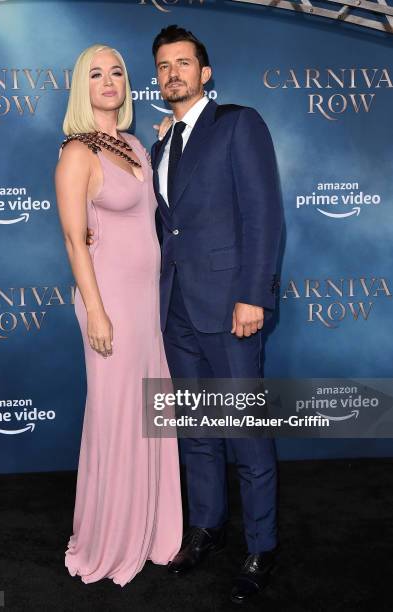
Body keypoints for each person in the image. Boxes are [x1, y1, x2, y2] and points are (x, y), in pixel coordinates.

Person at [150, 25, 283, 604]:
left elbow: (265, 215)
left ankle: (262, 547)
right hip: (177, 308)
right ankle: (207, 527)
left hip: (231, 307)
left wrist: (254, 294)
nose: (172, 72)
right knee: (197, 433)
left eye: (183, 63)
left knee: (246, 436)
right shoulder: (160, 145)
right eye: (163, 65)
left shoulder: (239, 123)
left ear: (205, 73)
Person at [54, 44, 182, 587]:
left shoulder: (134, 144)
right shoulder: (76, 153)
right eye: (97, 74)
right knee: (116, 415)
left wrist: (159, 144)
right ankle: (111, 537)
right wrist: (98, 314)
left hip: (147, 299)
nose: (109, 81)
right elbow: (73, 241)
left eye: (118, 72)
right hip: (109, 304)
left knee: (150, 410)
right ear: (82, 87)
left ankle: (154, 529)